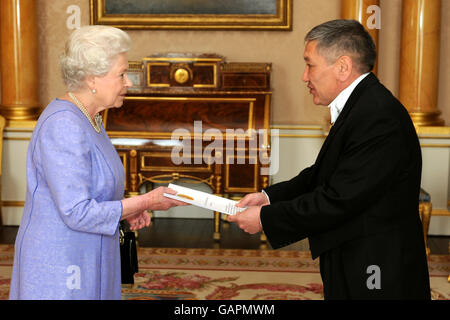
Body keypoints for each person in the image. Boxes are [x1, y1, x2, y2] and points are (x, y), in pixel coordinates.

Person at [228, 19, 431, 300]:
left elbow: (339, 198)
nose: (304, 76)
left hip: (377, 266)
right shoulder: (362, 105)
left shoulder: (378, 116)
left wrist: (266, 218)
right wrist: (268, 197)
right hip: (356, 251)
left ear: (343, 67)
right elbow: (321, 174)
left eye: (310, 64)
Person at [9, 25, 185, 300]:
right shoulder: (64, 124)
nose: (128, 82)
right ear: (92, 78)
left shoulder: (90, 118)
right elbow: (77, 211)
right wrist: (146, 201)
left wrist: (125, 210)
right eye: (122, 74)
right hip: (62, 265)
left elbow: (92, 189)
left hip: (89, 253)